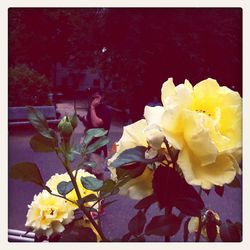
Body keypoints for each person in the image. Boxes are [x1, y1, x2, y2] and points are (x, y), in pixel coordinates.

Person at [77, 88, 111, 179]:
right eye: (93, 98)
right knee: (86, 172)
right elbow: (89, 123)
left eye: (97, 97)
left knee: (97, 173)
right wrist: (83, 119)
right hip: (87, 145)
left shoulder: (105, 110)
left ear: (102, 97)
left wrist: (92, 108)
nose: (94, 100)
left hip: (97, 147)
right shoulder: (92, 109)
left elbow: (96, 124)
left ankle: (100, 191)